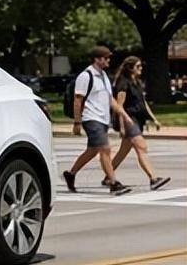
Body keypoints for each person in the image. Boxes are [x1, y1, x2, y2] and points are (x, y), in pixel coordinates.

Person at [62, 46, 134, 195]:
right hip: (91, 118)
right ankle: (113, 182)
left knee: (93, 150)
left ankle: (71, 173)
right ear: (97, 59)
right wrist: (77, 122)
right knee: (105, 149)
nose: (108, 60)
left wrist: (124, 115)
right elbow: (78, 100)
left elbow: (110, 99)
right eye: (106, 58)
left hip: (103, 119)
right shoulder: (86, 76)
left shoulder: (103, 76)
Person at [110, 56, 170, 190]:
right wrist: (122, 126)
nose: (141, 68)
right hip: (129, 119)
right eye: (138, 66)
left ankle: (108, 175)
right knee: (141, 147)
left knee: (123, 151)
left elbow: (143, 103)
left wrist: (154, 119)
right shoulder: (123, 83)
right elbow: (119, 106)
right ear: (130, 68)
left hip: (138, 120)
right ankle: (153, 179)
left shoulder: (137, 82)